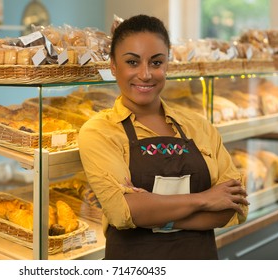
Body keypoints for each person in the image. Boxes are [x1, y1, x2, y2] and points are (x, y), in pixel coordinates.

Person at [78, 14, 249, 260]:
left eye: (156, 63)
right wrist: (205, 199)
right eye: (132, 62)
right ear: (113, 66)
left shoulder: (198, 126)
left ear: (167, 65)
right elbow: (125, 211)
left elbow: (234, 206)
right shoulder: (100, 131)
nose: (145, 74)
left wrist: (154, 213)